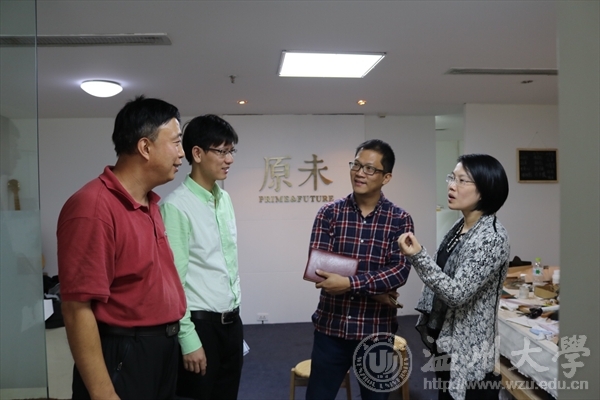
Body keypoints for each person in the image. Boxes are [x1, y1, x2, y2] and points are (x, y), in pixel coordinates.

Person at [57, 95, 187, 400]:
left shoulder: (149, 202)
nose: (182, 153)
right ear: (145, 147)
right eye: (176, 142)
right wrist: (103, 393)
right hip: (124, 352)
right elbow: (76, 309)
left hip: (161, 348)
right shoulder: (93, 208)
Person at [305, 139, 414, 400]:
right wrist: (376, 291)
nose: (359, 173)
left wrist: (349, 283)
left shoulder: (399, 219)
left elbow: (399, 271)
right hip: (332, 329)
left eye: (370, 169)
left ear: (386, 177)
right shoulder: (329, 213)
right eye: (356, 165)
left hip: (375, 332)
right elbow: (319, 269)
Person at [398, 153, 510, 400]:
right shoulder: (460, 227)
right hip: (447, 338)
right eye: (452, 178)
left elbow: (457, 294)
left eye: (462, 180)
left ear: (485, 190)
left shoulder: (491, 237)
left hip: (469, 349)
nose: (451, 186)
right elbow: (444, 275)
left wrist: (418, 256)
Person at [160, 114, 242, 400]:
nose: (229, 159)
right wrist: (188, 338)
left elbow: (226, 265)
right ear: (196, 153)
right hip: (200, 326)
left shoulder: (224, 199)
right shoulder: (176, 207)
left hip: (232, 323)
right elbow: (174, 282)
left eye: (231, 151)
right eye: (221, 151)